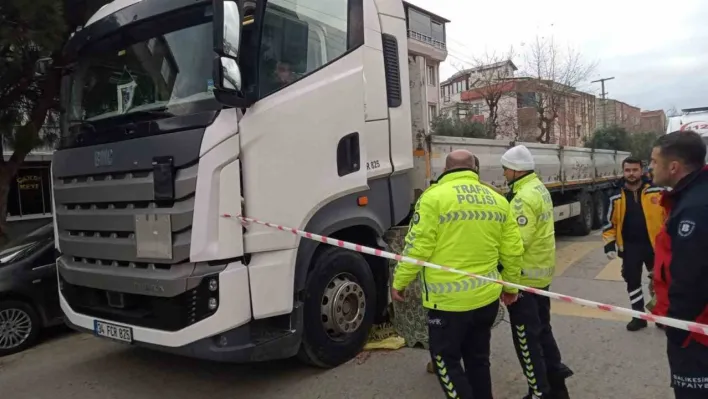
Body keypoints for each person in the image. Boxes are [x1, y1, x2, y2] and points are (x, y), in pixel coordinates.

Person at [392, 149, 524, 399]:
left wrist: (400, 280)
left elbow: (418, 246)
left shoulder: (434, 198)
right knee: (478, 360)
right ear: (475, 170)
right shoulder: (497, 199)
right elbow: (513, 251)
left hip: (448, 304)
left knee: (445, 362)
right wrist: (511, 287)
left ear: (445, 170)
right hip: (485, 300)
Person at [499, 145, 573, 399]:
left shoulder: (522, 198)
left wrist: (508, 283)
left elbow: (516, 244)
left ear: (514, 170)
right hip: (540, 277)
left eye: (505, 169)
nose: (504, 174)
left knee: (526, 340)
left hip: (524, 279)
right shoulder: (539, 188)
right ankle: (557, 386)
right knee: (543, 331)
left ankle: (539, 392)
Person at [649, 130, 708, 399]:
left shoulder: (694, 208)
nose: (650, 167)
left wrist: (678, 328)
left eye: (653, 161)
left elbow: (690, 278)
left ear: (673, 167)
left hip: (695, 333)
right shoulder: (691, 196)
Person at [602, 157, 665, 331]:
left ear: (641, 170)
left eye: (634, 170)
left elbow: (668, 217)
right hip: (630, 248)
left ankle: (661, 316)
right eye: (627, 170)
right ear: (623, 172)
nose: (631, 174)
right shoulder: (615, 195)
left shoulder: (657, 191)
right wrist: (609, 244)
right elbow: (609, 224)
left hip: (655, 246)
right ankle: (639, 317)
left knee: (660, 282)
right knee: (632, 281)